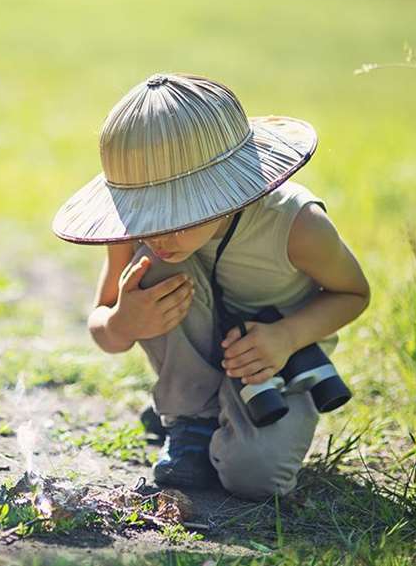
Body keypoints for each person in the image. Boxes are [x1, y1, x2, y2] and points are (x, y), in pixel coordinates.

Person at [51, 73, 370, 500]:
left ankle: (218, 412)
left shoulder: (297, 224)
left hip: (273, 357)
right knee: (151, 269)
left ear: (222, 189)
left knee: (255, 479)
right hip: (196, 350)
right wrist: (124, 322)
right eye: (145, 214)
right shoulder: (139, 236)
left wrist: (287, 337)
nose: (157, 232)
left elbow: (354, 293)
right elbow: (103, 327)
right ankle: (191, 421)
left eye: (173, 213)